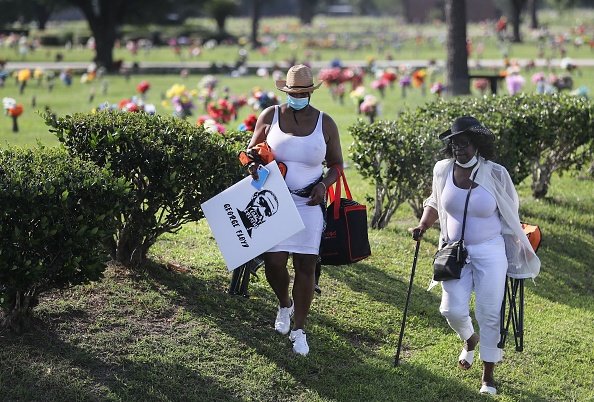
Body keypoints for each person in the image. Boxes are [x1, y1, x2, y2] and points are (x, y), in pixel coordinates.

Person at [411, 116, 540, 395]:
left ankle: (488, 376)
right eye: (455, 144)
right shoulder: (442, 170)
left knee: (489, 312)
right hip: (454, 252)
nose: (459, 149)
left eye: (465, 144)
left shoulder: (495, 174)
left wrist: (516, 242)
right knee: (451, 309)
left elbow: (510, 210)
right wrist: (423, 224)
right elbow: (434, 201)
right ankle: (470, 339)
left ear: (478, 144)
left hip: (490, 252)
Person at [246, 64, 344, 356]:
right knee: (274, 261)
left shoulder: (325, 123)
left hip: (309, 202)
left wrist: (324, 185)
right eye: (293, 92)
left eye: (303, 92)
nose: (298, 96)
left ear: (310, 92)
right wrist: (252, 163)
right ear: (286, 91)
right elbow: (251, 151)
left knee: (306, 265)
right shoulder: (270, 116)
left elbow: (337, 164)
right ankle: (284, 304)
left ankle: (299, 329)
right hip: (275, 201)